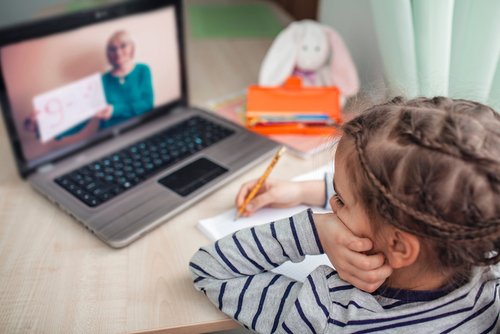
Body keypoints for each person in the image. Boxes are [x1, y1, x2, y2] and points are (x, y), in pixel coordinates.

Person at [189, 96, 500, 333]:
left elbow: (210, 269)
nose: (332, 206)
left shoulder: (329, 313)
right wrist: (304, 191)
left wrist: (314, 231)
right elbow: (396, 200)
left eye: (340, 199)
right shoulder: (488, 281)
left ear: (400, 247)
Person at [25, 30, 154, 141]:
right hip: (109, 139)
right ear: (108, 54)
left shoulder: (143, 70)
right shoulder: (100, 81)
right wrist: (45, 127)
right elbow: (81, 118)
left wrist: (114, 110)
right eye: (112, 49)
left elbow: (147, 104)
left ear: (132, 48)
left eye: (123, 46)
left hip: (140, 132)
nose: (118, 52)